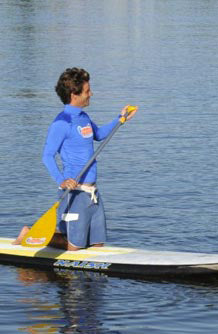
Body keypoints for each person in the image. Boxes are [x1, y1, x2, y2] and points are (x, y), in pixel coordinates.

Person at [13, 67, 137, 250]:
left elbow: (100, 134)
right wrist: (61, 180)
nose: (91, 94)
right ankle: (28, 235)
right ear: (74, 94)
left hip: (92, 194)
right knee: (75, 247)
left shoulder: (84, 117)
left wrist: (120, 119)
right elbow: (47, 156)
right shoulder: (61, 123)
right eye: (87, 91)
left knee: (97, 245)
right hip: (74, 193)